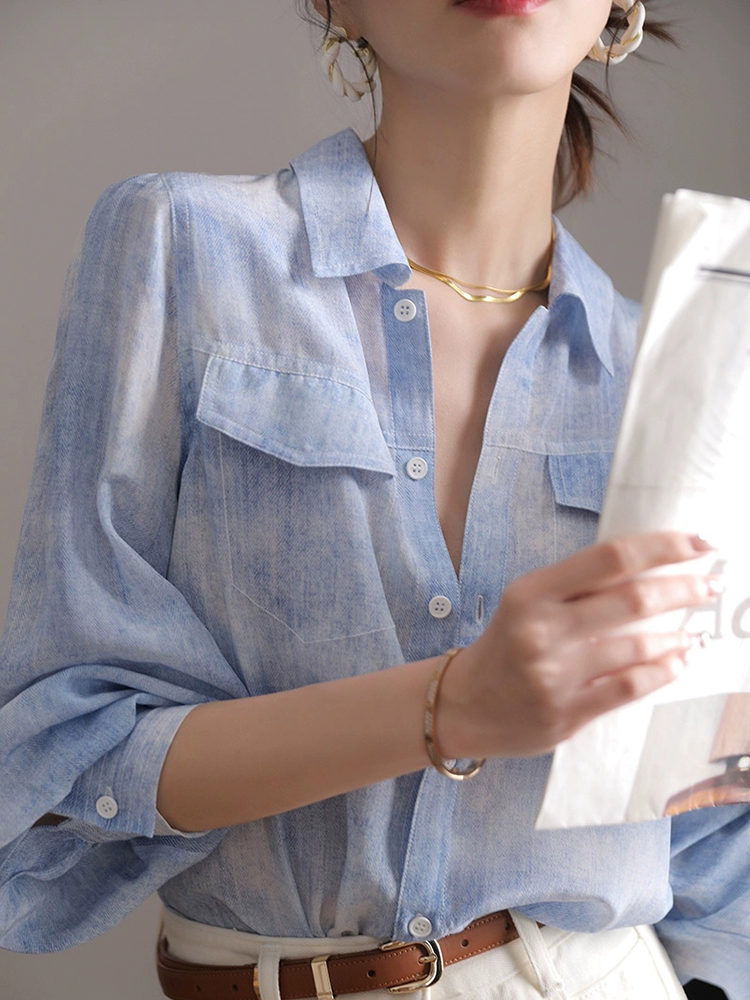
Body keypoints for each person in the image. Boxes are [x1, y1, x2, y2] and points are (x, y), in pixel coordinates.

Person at [1, 1, 748, 997]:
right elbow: (55, 760)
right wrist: (451, 707)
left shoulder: (683, 373)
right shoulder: (178, 246)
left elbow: (716, 854)